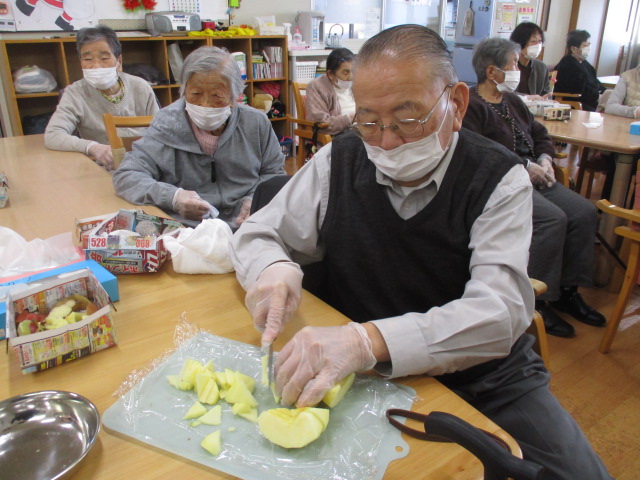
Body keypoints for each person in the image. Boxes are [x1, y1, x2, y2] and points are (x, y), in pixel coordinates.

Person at [230, 25, 612, 480]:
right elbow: (256, 233)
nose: (387, 141)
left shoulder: (498, 178)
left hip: (482, 376)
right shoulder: (341, 158)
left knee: (577, 474)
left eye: (407, 119)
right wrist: (273, 268)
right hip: (363, 374)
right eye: (369, 120)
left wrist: (365, 340)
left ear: (456, 103)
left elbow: (499, 312)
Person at [462, 37, 605, 339]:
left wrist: (544, 158)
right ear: (492, 72)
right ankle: (537, 301)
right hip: (502, 183)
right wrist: (526, 168)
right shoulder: (471, 105)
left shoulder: (513, 100)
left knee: (584, 211)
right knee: (553, 219)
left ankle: (568, 290)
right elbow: (479, 153)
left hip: (537, 174)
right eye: (513, 65)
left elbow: (540, 133)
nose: (517, 69)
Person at [112, 46, 285, 228]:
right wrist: (174, 197)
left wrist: (256, 200)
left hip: (246, 225)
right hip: (188, 228)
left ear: (235, 97)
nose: (205, 104)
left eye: (217, 95)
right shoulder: (166, 124)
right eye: (195, 94)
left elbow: (274, 173)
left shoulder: (255, 123)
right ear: (184, 91)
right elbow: (127, 175)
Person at [44, 25, 159, 171]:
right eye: (87, 59)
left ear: (119, 62)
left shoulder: (140, 87)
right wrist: (93, 148)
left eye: (104, 58)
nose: (96, 65)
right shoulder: (75, 93)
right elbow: (53, 135)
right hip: (105, 168)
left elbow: (160, 132)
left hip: (146, 164)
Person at [305, 47, 355, 135]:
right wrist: (350, 118)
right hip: (338, 136)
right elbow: (321, 123)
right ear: (330, 74)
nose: (351, 77)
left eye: (353, 71)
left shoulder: (358, 85)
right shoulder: (316, 87)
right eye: (345, 72)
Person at [554, 30, 605, 111]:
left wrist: (603, 92)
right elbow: (578, 90)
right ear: (574, 49)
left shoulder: (584, 63)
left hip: (590, 100)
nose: (588, 47)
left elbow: (595, 82)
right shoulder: (567, 65)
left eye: (589, 44)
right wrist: (598, 95)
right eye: (585, 45)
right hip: (574, 102)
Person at [509, 21, 552, 99]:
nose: (537, 45)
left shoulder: (541, 67)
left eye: (539, 41)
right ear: (519, 43)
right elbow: (504, 94)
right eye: (533, 41)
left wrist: (547, 101)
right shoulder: (506, 65)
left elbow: (546, 93)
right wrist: (527, 98)